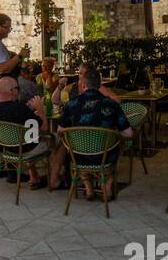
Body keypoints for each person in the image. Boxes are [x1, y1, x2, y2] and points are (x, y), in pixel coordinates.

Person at [48, 65, 132, 200]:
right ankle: (107, 185)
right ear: (99, 85)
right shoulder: (111, 104)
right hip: (105, 156)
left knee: (74, 148)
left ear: (83, 85)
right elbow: (128, 134)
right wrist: (112, 133)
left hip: (79, 156)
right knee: (119, 143)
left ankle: (88, 187)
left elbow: (60, 131)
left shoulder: (71, 104)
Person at [0, 75, 51, 187]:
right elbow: (45, 128)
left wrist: (29, 111)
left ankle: (34, 176)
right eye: (18, 88)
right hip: (25, 150)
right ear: (12, 91)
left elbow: (17, 117)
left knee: (29, 136)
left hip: (7, 150)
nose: (19, 91)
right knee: (56, 140)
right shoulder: (20, 108)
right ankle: (55, 178)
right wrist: (40, 109)